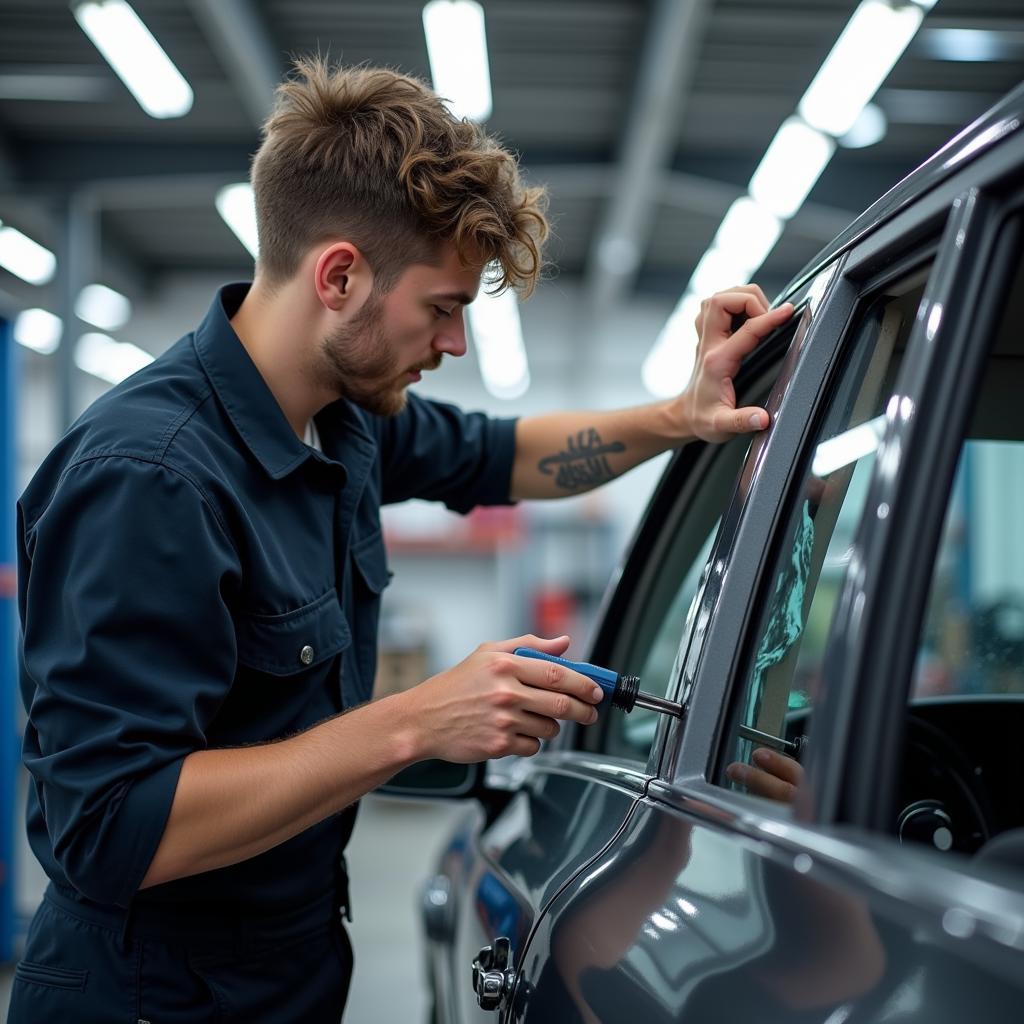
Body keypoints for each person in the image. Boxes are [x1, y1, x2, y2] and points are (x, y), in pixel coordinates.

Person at [8, 57, 794, 1023]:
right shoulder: (150, 478)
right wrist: (417, 721)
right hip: (149, 993)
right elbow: (111, 825)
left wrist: (682, 415)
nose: (455, 344)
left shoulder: (343, 418)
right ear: (339, 275)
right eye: (444, 308)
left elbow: (511, 458)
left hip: (285, 962)